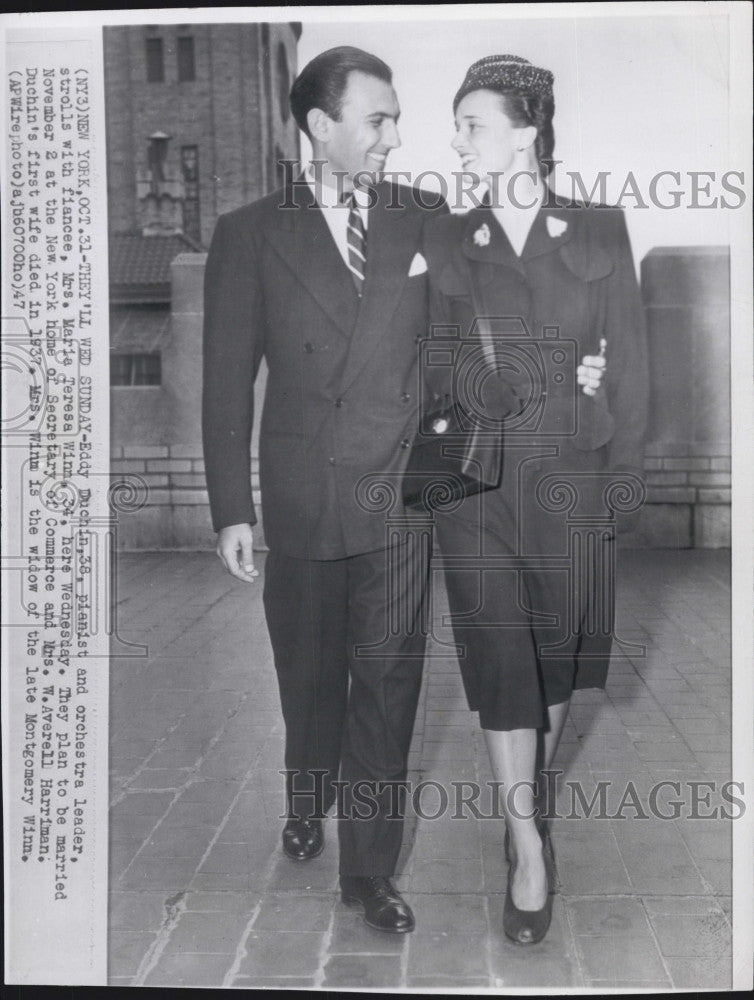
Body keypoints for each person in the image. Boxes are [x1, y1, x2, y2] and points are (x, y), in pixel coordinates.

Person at [202, 46, 447, 934]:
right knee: (309, 681)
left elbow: (453, 355)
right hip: (304, 498)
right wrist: (234, 508)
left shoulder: (425, 216)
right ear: (320, 125)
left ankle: (368, 875)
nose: (392, 136)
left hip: (397, 500)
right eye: (376, 119)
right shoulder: (250, 231)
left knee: (388, 684)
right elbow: (229, 380)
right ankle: (306, 795)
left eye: (392, 119)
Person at [421, 54, 648, 944]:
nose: (459, 141)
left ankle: (527, 804)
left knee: (556, 661)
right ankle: (527, 849)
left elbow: (628, 361)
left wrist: (621, 482)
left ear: (525, 132)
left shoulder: (599, 229)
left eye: (472, 124)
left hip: (573, 483)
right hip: (474, 487)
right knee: (501, 662)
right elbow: (433, 358)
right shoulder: (446, 237)